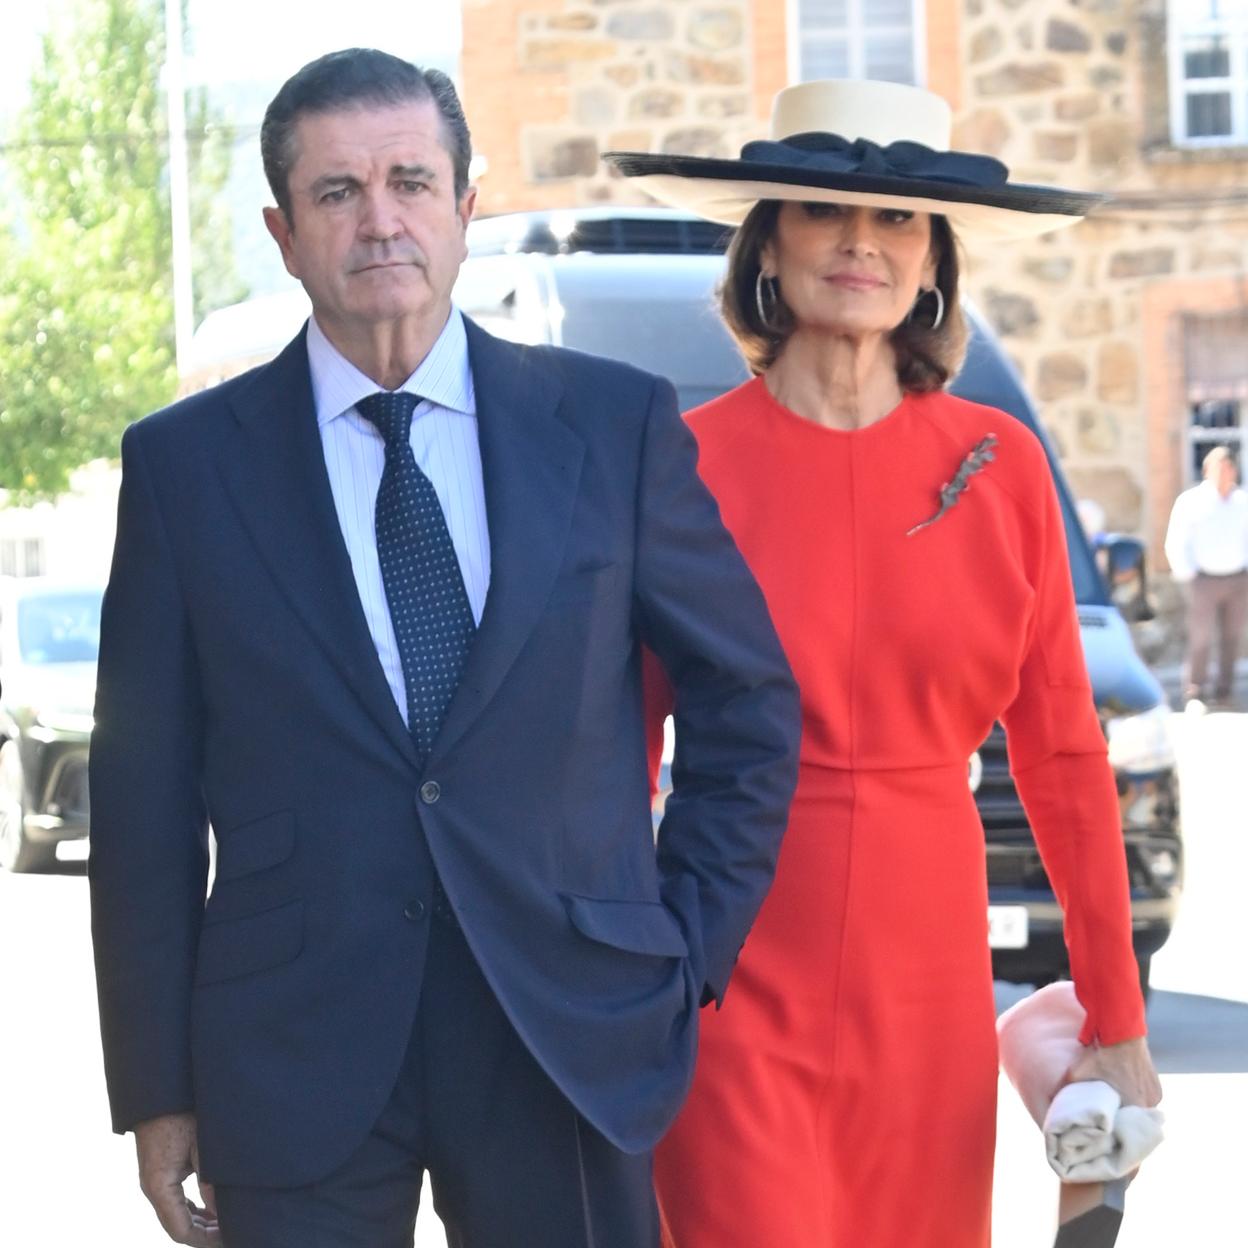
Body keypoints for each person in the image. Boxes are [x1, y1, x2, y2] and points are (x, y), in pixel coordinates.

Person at [89, 49, 800, 1248]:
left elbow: (750, 703)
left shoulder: (612, 425)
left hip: (568, 1029)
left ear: (467, 209)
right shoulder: (186, 469)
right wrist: (156, 1085)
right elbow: (143, 800)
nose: (380, 220)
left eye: (412, 182)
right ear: (281, 230)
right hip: (288, 1053)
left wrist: (683, 952)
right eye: (337, 193)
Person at [606, 79, 1161, 1248]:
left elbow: (1063, 755)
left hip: (930, 973)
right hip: (731, 959)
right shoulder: (680, 462)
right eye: (822, 210)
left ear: (933, 261)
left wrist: (1118, 1014)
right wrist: (629, 973)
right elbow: (614, 748)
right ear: (770, 243)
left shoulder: (999, 463)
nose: (861, 241)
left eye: (898, 219)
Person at [1163, 445, 1248, 709]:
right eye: (1219, 468)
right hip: (1203, 580)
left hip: (1237, 579)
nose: (1224, 473)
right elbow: (1176, 540)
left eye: (1228, 468)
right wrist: (1188, 575)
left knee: (1232, 637)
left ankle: (1225, 690)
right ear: (1207, 470)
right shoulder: (1191, 502)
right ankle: (1195, 691)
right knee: (1200, 637)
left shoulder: (1242, 501)